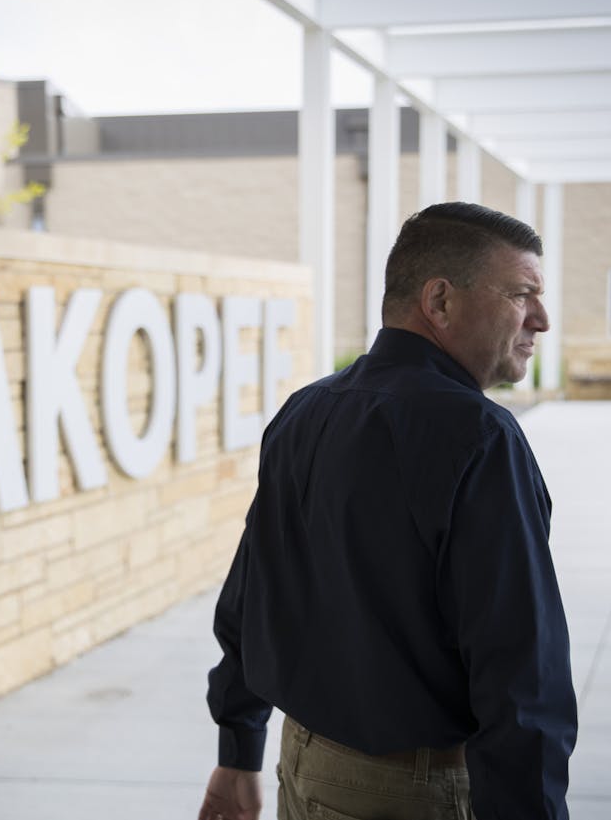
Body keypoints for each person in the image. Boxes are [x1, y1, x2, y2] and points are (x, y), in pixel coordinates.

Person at [198, 202, 578, 820]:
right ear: (440, 301)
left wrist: (239, 750)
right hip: (412, 796)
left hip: (304, 769)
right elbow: (521, 674)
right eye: (522, 293)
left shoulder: (304, 412)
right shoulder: (481, 437)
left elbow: (252, 594)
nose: (542, 318)